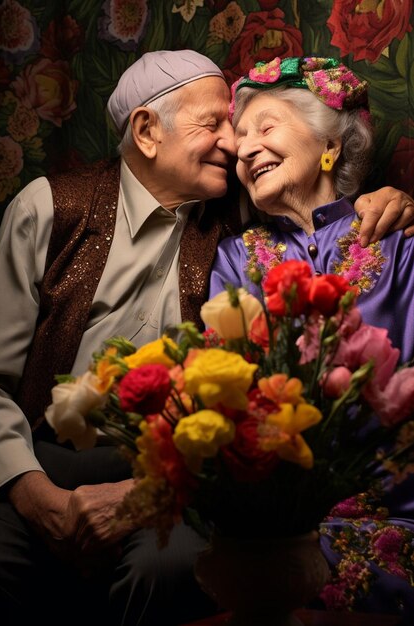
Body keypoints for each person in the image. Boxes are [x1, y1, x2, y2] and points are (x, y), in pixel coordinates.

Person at [0, 49, 412, 626]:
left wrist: (394, 202)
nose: (237, 145)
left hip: (190, 474)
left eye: (251, 128)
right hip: (44, 460)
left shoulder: (244, 228)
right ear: (146, 132)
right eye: (217, 126)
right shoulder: (60, 211)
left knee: (173, 572)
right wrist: (35, 494)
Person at [208, 56, 414, 622]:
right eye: (239, 140)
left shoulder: (400, 245)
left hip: (399, 512)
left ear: (330, 143)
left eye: (266, 127)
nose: (246, 150)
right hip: (279, 521)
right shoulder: (235, 258)